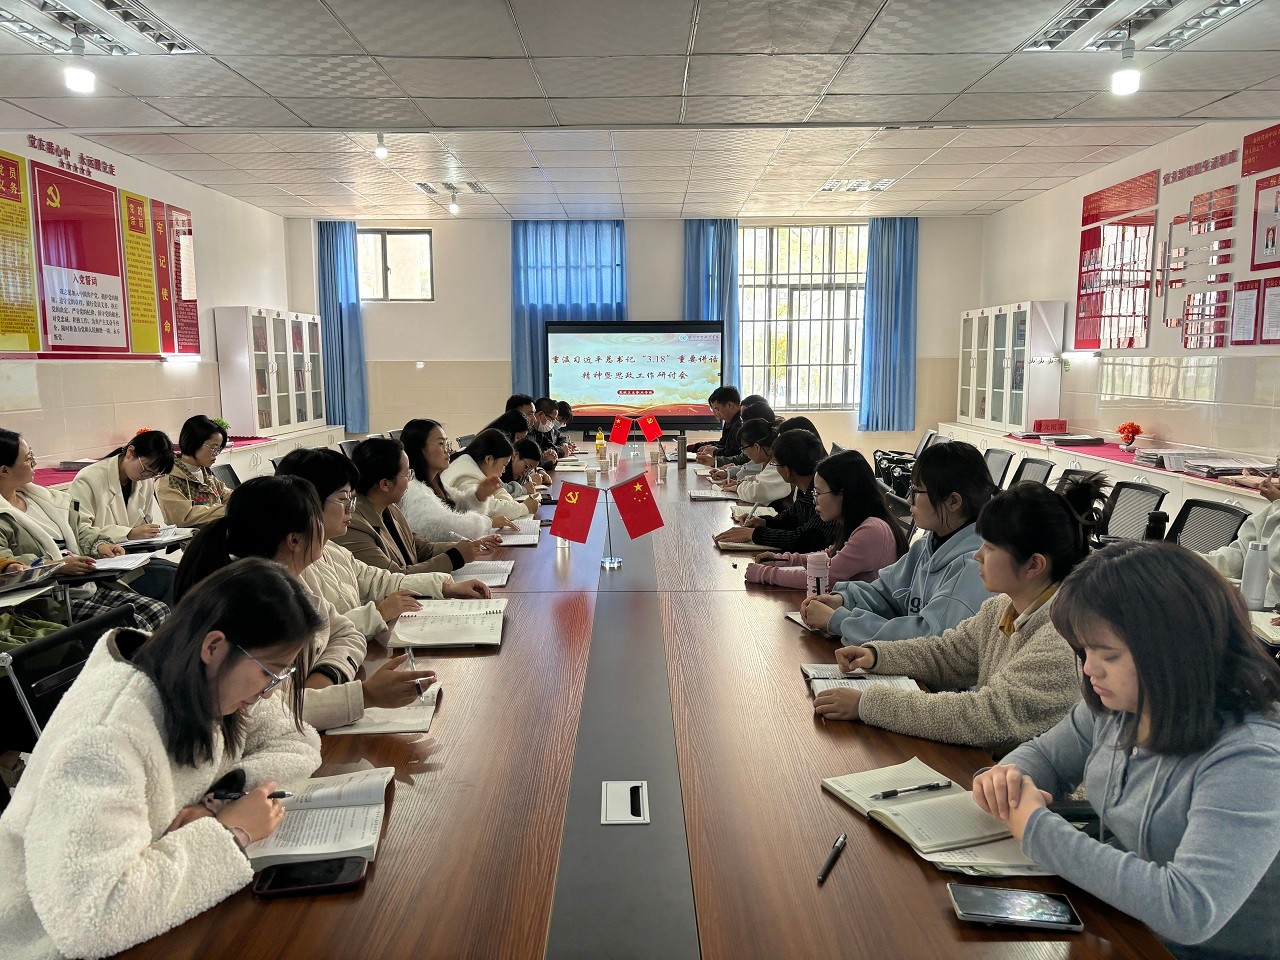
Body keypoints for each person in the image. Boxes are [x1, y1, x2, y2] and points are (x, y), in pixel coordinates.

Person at [0, 558, 324, 960]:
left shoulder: (199, 676)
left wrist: (218, 800)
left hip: (146, 916)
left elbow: (298, 739)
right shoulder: (105, 739)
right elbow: (94, 917)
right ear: (213, 646)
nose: (270, 692)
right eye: (268, 673)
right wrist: (230, 833)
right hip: (45, 941)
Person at [973, 542, 1280, 960]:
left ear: (1172, 651)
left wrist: (1036, 827)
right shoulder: (1119, 706)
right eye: (1085, 651)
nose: (1089, 669)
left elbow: (1188, 910)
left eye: (1108, 655)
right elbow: (1042, 757)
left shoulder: (1252, 757)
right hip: (1120, 924)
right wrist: (1006, 779)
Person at [814, 475, 1108, 757]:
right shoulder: (1002, 607)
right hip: (993, 770)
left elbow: (985, 716)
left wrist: (868, 704)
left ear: (1033, 565)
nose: (977, 555)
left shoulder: (1062, 637)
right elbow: (947, 654)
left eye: (990, 547)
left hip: (1022, 784)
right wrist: (877, 655)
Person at [175, 476, 436, 731]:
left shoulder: (290, 583)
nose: (347, 511)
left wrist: (325, 678)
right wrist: (362, 695)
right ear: (294, 540)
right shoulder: (253, 602)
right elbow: (266, 714)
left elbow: (347, 633)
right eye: (319, 518)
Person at [275, 447, 490, 643]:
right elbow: (318, 636)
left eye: (351, 499)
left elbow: (380, 581)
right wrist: (379, 613)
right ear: (308, 502)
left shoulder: (332, 549)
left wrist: (445, 587)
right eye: (343, 499)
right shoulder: (290, 567)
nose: (351, 508)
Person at [800, 440, 997, 642]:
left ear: (953, 501)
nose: (909, 499)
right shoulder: (926, 546)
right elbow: (886, 593)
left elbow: (927, 641)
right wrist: (842, 600)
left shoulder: (973, 566)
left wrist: (838, 620)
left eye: (916, 491)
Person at [0, 429, 168, 631]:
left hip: (86, 585)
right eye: (28, 458)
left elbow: (78, 529)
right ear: (4, 471)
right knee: (132, 625)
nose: (34, 463)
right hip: (50, 600)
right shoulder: (4, 517)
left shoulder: (42, 499)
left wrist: (100, 544)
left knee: (159, 611)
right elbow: (8, 566)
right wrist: (56, 566)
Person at [336, 437, 499, 576]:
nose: (410, 481)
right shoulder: (353, 525)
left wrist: (468, 547)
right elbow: (393, 577)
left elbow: (420, 549)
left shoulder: (391, 509)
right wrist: (455, 557)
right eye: (407, 474)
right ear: (385, 484)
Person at [747, 449, 907, 590]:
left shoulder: (872, 531)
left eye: (818, 493)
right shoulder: (858, 522)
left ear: (843, 493)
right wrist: (782, 560)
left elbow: (824, 577)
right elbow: (828, 556)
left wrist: (764, 574)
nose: (815, 500)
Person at [714, 428, 838, 553]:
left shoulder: (823, 496)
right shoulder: (805, 488)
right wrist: (764, 522)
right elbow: (792, 517)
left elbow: (804, 540)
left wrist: (754, 534)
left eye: (775, 464)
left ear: (787, 471)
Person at [399, 418, 514, 540]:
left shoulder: (435, 482)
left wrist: (479, 496)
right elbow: (444, 526)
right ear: (419, 448)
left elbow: (458, 508)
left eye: (447, 443)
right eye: (441, 443)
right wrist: (488, 522)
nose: (448, 449)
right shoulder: (412, 489)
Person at [68, 429, 174, 542]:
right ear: (130, 453)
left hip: (134, 550)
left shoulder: (146, 481)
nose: (147, 476)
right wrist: (129, 534)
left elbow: (145, 522)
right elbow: (79, 530)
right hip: (98, 551)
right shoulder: (88, 480)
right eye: (146, 469)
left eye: (154, 474)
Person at [1204, 472, 1279, 608]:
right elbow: (1241, 555)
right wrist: (1189, 561)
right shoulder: (1270, 512)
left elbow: (1276, 558)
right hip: (1256, 608)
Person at [440, 429, 539, 522]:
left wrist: (508, 502)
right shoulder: (466, 478)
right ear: (488, 459)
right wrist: (524, 508)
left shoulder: (473, 467)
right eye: (504, 465)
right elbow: (493, 510)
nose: (504, 471)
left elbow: (502, 498)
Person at [156, 415, 232, 528]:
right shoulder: (169, 479)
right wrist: (228, 509)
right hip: (195, 537)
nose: (216, 454)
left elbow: (227, 496)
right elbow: (183, 517)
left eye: (219, 449)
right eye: (214, 448)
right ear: (194, 442)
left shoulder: (205, 472)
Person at [715, 417, 790, 506]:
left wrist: (738, 487)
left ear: (757, 447)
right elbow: (759, 480)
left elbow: (756, 493)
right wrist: (739, 484)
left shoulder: (777, 465)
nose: (745, 453)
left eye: (744, 449)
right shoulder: (769, 460)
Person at [695, 386, 742, 465]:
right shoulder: (729, 421)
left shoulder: (740, 424)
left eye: (716, 408)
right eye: (712, 409)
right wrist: (705, 447)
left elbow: (733, 453)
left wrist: (714, 452)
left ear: (730, 405)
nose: (714, 412)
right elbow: (723, 444)